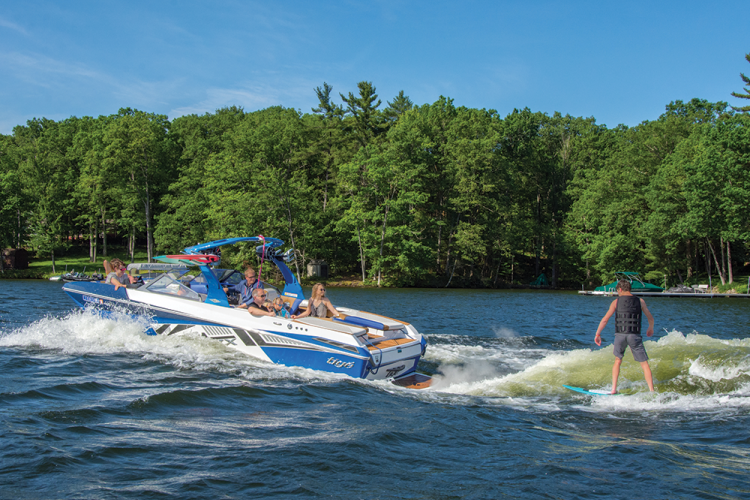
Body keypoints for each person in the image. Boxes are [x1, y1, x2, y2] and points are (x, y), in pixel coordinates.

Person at [594, 279, 655, 393]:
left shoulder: (616, 302)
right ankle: (651, 391)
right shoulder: (640, 301)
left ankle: (613, 389)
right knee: (644, 363)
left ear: (620, 289)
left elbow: (605, 320)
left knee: (618, 360)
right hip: (634, 336)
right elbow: (650, 317)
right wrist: (650, 328)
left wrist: (598, 334)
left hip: (620, 335)